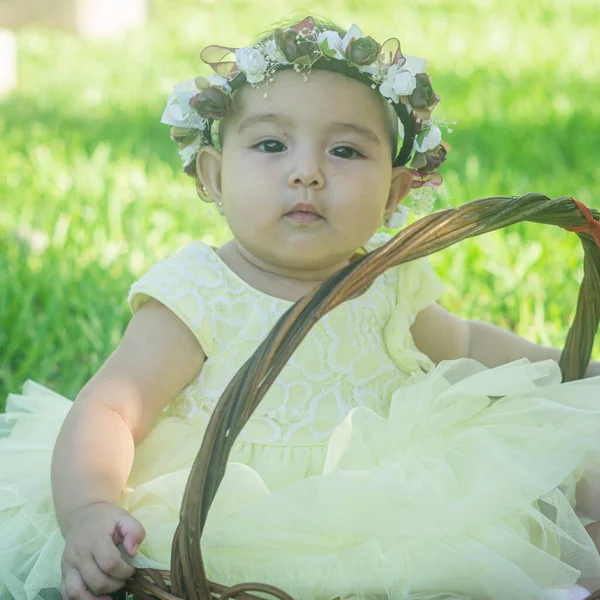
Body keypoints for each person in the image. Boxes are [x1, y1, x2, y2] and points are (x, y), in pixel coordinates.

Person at [1, 15, 600, 600]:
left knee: (559, 466)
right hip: (234, 517)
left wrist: (567, 371)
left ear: (394, 191)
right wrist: (90, 507)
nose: (308, 173)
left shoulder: (387, 275)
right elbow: (110, 408)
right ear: (212, 177)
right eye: (270, 144)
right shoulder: (198, 293)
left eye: (344, 151)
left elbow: (466, 345)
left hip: (393, 506)